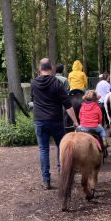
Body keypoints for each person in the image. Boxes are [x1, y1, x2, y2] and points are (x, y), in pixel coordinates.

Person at [31, 58, 79, 190]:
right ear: (51, 68)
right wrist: (75, 121)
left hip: (39, 121)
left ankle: (46, 180)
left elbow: (33, 99)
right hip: (56, 120)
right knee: (61, 147)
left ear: (40, 69)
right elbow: (66, 103)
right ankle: (62, 174)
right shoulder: (57, 83)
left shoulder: (33, 83)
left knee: (43, 149)